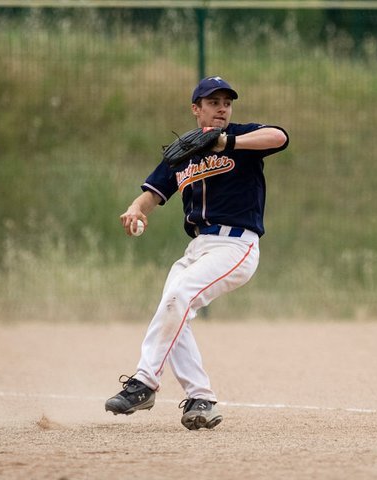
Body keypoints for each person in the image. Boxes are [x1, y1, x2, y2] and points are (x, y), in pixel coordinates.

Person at [105, 76, 289, 430]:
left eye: (227, 102)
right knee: (172, 311)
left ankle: (144, 383)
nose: (222, 108)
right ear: (196, 109)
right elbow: (155, 191)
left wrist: (228, 141)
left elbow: (280, 136)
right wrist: (135, 207)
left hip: (236, 244)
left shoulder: (242, 136)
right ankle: (200, 398)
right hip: (198, 247)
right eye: (213, 102)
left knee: (178, 297)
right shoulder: (183, 152)